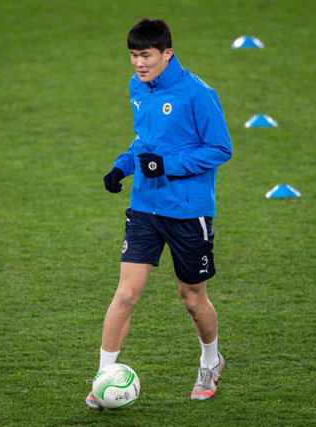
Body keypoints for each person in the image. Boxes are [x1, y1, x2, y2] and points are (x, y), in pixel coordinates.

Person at [85, 18, 233, 409]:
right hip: (144, 209)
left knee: (192, 298)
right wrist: (122, 166)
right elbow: (144, 141)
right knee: (125, 295)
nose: (139, 63)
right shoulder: (138, 87)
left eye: (146, 55)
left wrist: (167, 165)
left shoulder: (198, 94)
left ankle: (210, 361)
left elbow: (220, 149)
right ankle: (103, 379)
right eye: (134, 55)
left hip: (187, 212)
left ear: (167, 53)